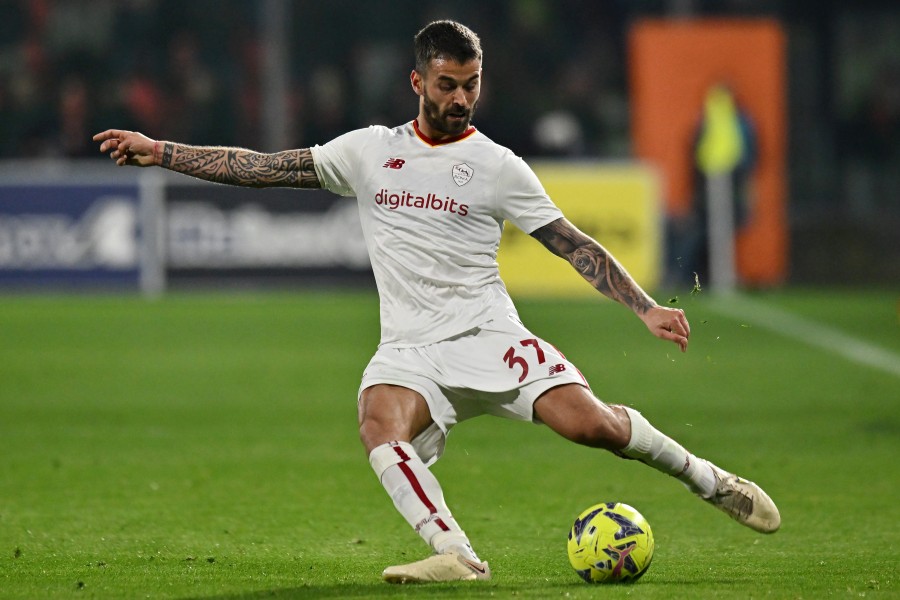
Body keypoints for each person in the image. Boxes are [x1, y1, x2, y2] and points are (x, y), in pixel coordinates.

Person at [94, 20, 780, 584]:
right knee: (377, 424)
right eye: (448, 85)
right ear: (418, 82)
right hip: (410, 349)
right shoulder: (367, 153)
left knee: (593, 427)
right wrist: (163, 151)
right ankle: (457, 554)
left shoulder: (498, 166)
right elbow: (263, 168)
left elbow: (571, 243)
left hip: (489, 334)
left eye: (472, 84)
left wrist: (644, 307)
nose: (461, 98)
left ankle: (711, 480)